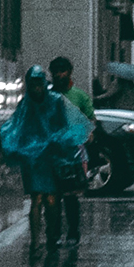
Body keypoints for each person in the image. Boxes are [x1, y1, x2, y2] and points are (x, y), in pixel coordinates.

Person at [0, 66, 93, 250]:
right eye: (32, 84)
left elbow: (66, 126)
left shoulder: (52, 101)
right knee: (40, 198)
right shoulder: (27, 104)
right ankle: (39, 240)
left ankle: (50, 234)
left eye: (38, 84)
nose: (36, 88)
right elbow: (16, 127)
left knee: (49, 198)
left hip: (48, 156)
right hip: (36, 158)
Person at [50, 56, 96, 242]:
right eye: (56, 72)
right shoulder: (48, 96)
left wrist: (85, 135)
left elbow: (91, 121)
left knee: (70, 196)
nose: (59, 75)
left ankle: (73, 232)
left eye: (63, 71)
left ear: (69, 72)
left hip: (73, 154)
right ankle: (53, 233)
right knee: (52, 197)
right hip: (52, 153)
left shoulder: (79, 96)